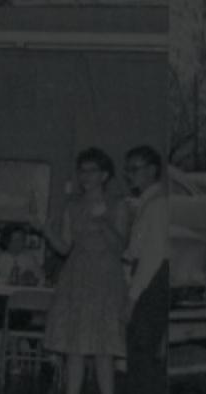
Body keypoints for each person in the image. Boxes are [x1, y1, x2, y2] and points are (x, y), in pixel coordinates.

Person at [40, 148, 130, 394]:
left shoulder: (118, 204)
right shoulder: (72, 205)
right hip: (76, 276)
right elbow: (66, 247)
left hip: (105, 277)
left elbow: (120, 246)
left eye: (91, 170)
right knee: (74, 345)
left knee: (103, 347)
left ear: (104, 175)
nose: (85, 176)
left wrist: (102, 221)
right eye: (82, 170)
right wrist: (46, 231)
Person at [122, 145, 168, 394]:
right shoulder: (146, 203)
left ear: (152, 170)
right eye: (127, 169)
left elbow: (152, 257)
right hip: (146, 282)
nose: (129, 174)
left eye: (134, 169)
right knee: (138, 356)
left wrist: (132, 297)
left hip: (151, 285)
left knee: (142, 356)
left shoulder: (157, 205)